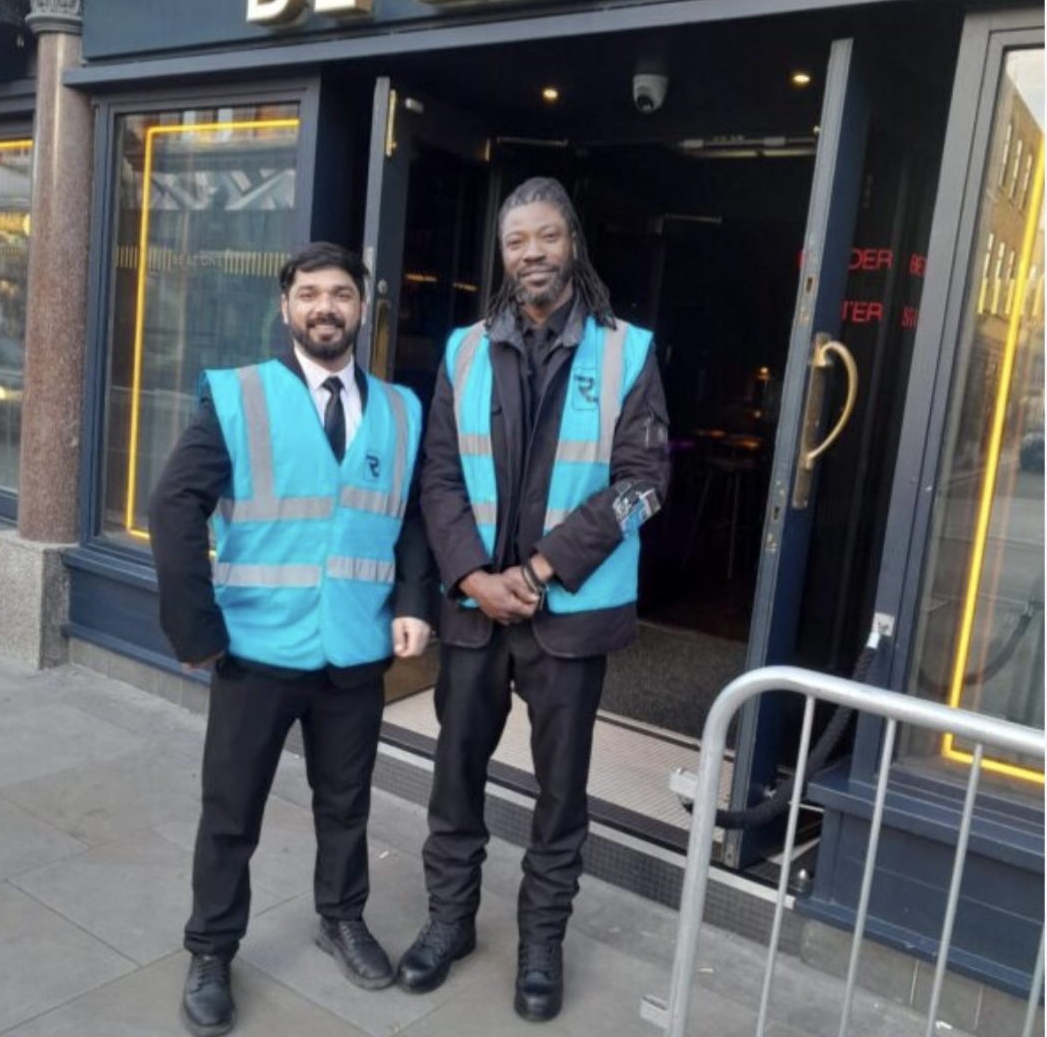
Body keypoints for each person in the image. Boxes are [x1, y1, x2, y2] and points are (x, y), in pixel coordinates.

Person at [396, 177, 670, 1022]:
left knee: (560, 797)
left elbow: (645, 483)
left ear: (573, 243)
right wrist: (473, 578)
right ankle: (450, 922)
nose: (532, 254)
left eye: (547, 236)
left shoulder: (627, 351)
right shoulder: (464, 349)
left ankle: (541, 943)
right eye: (517, 242)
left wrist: (543, 570)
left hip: (569, 618)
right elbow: (439, 473)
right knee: (454, 777)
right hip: (474, 612)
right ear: (503, 255)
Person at [148, 241, 435, 1037]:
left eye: (340, 293)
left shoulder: (402, 411)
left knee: (346, 805)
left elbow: (413, 517)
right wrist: (195, 628)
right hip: (255, 651)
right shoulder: (240, 396)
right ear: (286, 308)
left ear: (362, 307)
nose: (324, 308)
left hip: (356, 650)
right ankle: (211, 949)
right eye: (309, 294)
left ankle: (341, 917)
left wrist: (415, 601)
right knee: (230, 811)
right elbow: (173, 506)